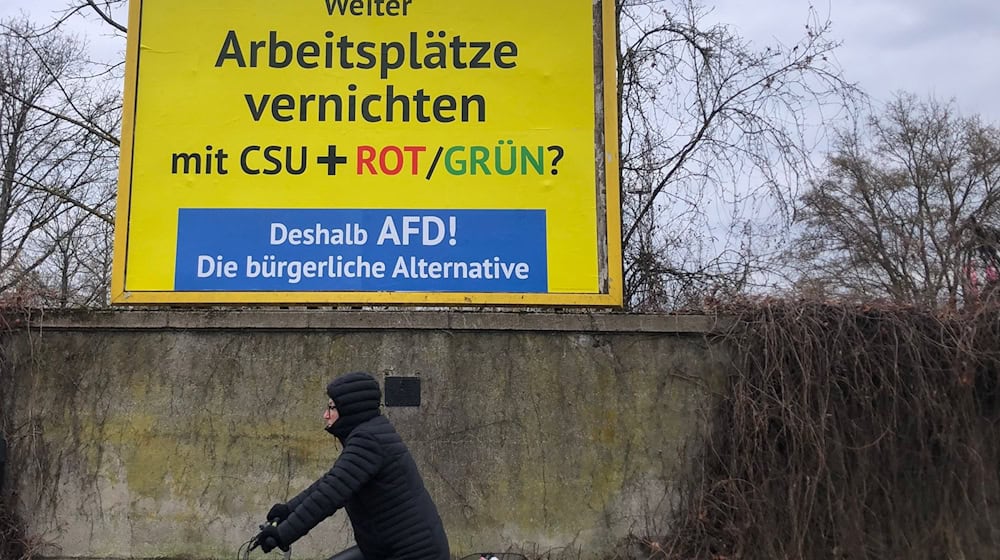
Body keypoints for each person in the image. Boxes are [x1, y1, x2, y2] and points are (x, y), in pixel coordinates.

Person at [254, 372, 450, 560]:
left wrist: (282, 535)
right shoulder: (368, 435)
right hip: (386, 550)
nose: (325, 415)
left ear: (350, 409)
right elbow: (328, 483)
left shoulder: (368, 442)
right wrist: (287, 511)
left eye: (331, 408)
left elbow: (329, 496)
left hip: (414, 554)